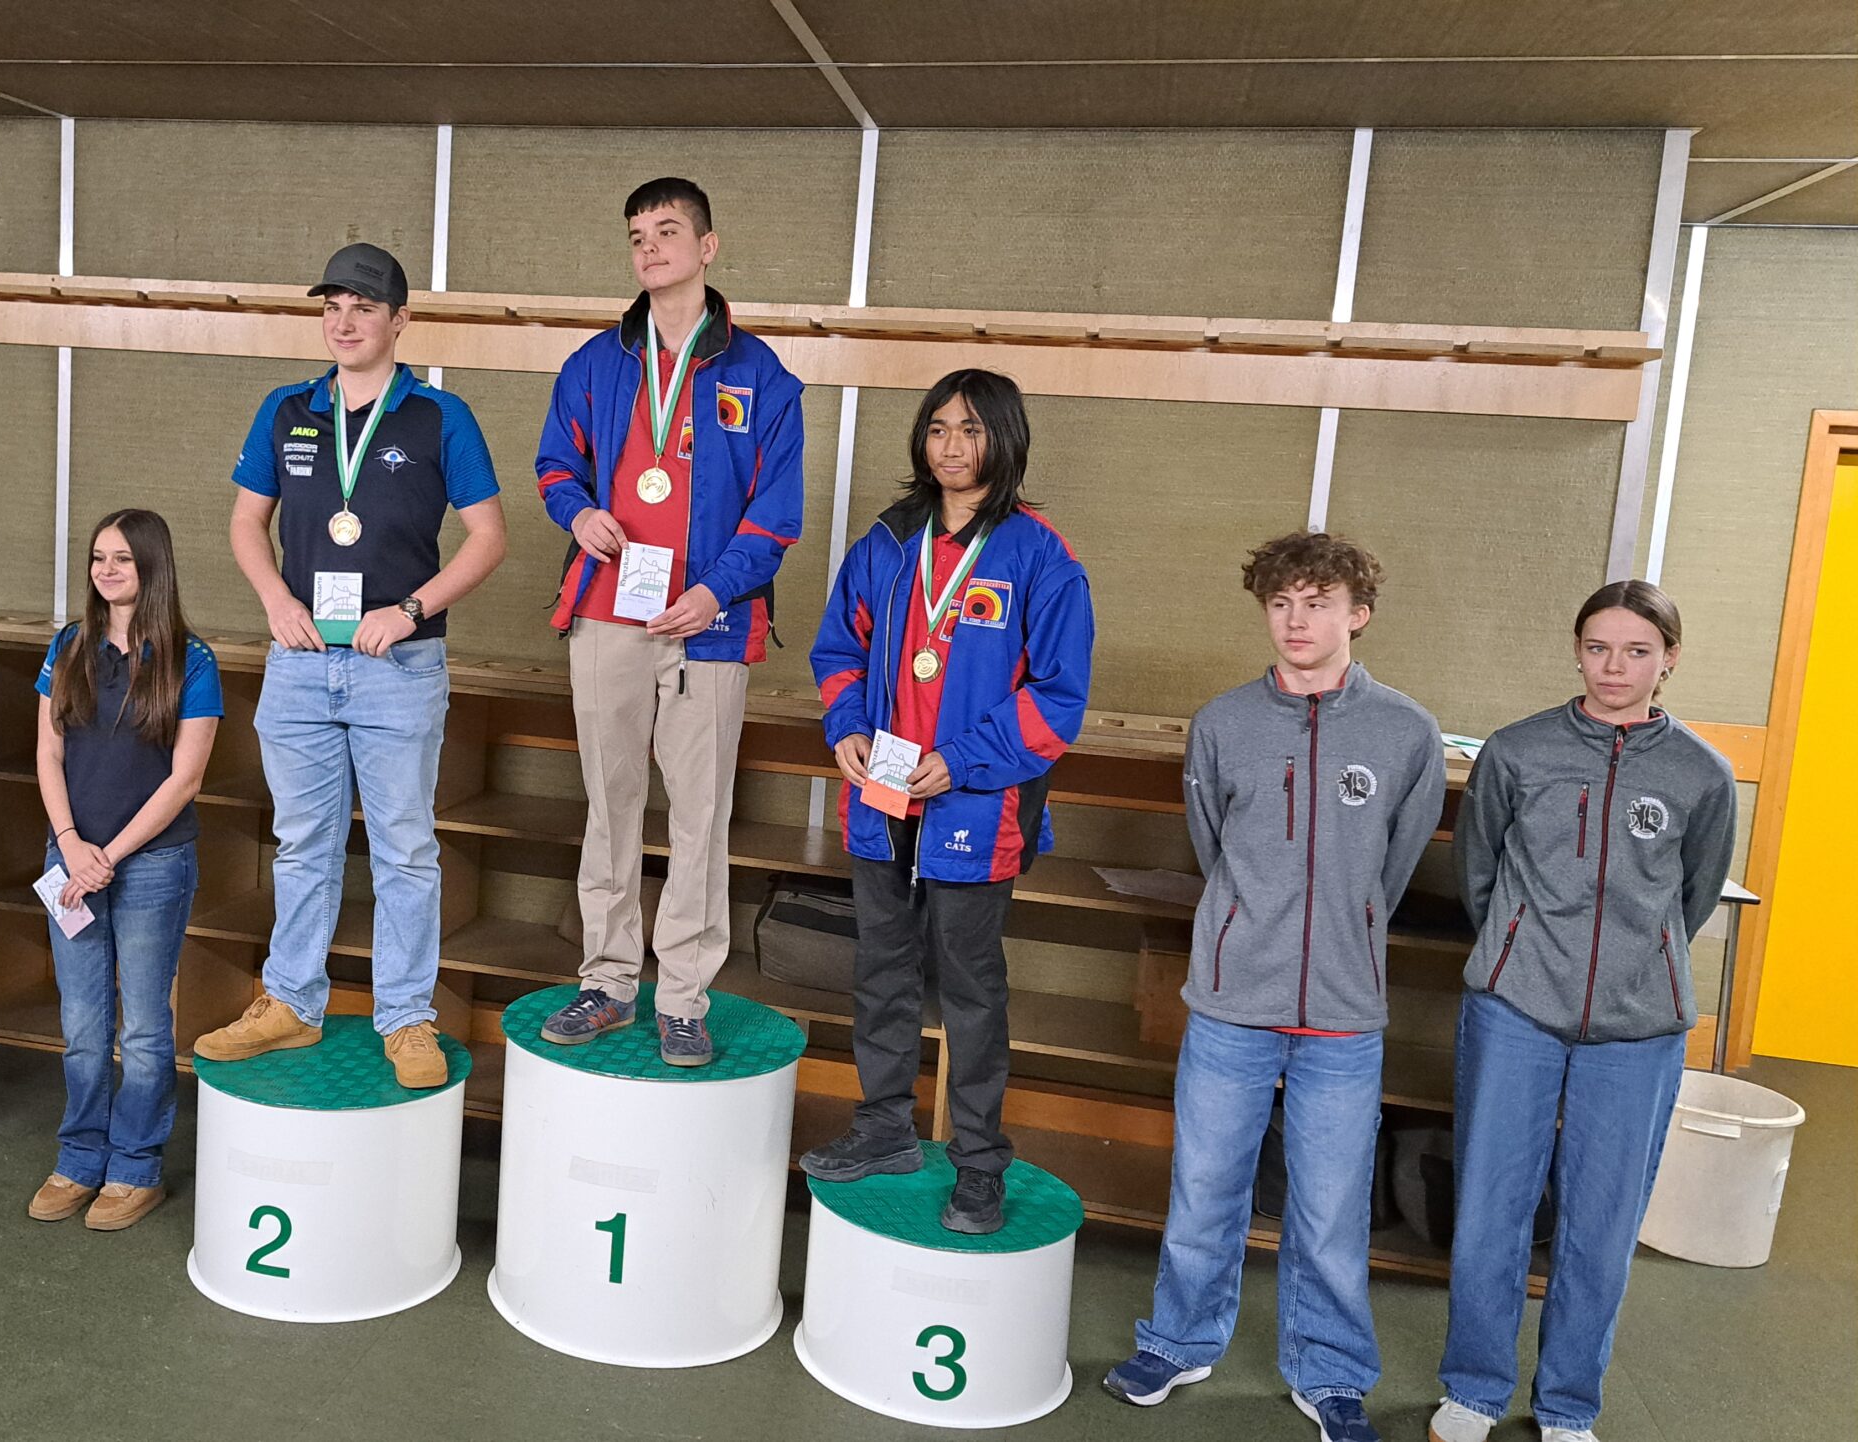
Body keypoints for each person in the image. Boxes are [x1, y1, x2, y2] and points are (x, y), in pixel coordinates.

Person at [1103, 533, 1446, 1442]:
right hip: (1231, 1004)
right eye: (1282, 603)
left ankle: (1329, 1373)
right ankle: (1178, 1341)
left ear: (1358, 615)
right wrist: (1249, 932)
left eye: (1318, 603)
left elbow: (1395, 865)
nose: (1297, 621)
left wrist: (1345, 930)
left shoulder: (1407, 733)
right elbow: (1213, 845)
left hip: (1344, 1012)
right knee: (1204, 1185)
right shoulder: (1222, 724)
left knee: (1330, 1209)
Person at [191, 242, 507, 1090]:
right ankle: (292, 1002)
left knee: (405, 850)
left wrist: (410, 610)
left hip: (398, 666)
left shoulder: (440, 417)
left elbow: (488, 537)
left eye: (363, 307)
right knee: (301, 846)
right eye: (332, 306)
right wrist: (275, 601)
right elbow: (246, 523)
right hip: (299, 663)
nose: (344, 321)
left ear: (400, 321)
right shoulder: (286, 409)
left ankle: (406, 1017)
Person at [1429, 582, 1736, 1442]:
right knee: (1491, 1209)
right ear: (1576, 651)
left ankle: (1567, 1407)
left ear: (1668, 660)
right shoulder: (1517, 751)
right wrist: (1517, 948)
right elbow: (1477, 873)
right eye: (1598, 648)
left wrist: (1642, 962)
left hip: (1639, 1028)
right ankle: (1474, 1392)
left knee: (1601, 1225)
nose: (1614, 667)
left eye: (1637, 651)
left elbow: (1695, 894)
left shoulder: (1702, 774)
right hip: (1515, 1009)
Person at [804, 369, 1093, 1232]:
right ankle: (884, 1130)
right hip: (881, 795)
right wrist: (846, 727)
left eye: (970, 430)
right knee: (881, 972)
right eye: (937, 429)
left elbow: (1057, 699)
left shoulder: (1040, 555)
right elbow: (838, 649)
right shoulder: (888, 542)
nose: (951, 446)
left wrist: (961, 762)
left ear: (1005, 438)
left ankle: (978, 1163)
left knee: (970, 990)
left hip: (977, 805)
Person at [531, 177, 806, 1064]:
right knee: (609, 808)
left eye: (667, 231)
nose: (649, 248)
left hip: (708, 628)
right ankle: (608, 981)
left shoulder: (763, 377)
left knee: (699, 818)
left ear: (707, 247)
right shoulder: (595, 363)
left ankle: (683, 995)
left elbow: (777, 516)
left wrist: (716, 592)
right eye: (637, 236)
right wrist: (577, 512)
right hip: (607, 613)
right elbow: (553, 466)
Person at [27, 509, 220, 1232]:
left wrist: (109, 856)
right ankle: (80, 1156)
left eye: (122, 560)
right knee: (82, 1023)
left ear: (152, 567)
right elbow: (48, 752)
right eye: (98, 558)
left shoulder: (191, 660)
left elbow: (185, 780)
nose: (106, 571)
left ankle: (135, 1167)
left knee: (142, 1027)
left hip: (153, 865)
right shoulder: (69, 646)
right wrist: (71, 843)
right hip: (71, 858)